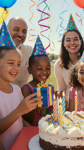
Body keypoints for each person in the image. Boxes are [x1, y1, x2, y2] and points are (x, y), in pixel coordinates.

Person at [0, 22, 42, 150]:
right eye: (11, 63)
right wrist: (19, 110)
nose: (15, 68)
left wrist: (38, 133)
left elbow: (20, 120)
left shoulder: (17, 89)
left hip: (23, 143)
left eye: (18, 64)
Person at [54, 14, 84, 109]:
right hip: (72, 106)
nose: (72, 43)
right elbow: (62, 89)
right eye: (68, 40)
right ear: (63, 43)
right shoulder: (58, 65)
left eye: (75, 39)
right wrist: (62, 102)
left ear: (81, 41)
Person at [21, 36, 53, 126]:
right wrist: (36, 108)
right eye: (39, 68)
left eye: (48, 68)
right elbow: (26, 119)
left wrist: (57, 100)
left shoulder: (49, 87)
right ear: (30, 70)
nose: (45, 72)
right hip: (33, 129)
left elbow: (51, 113)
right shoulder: (27, 89)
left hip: (49, 129)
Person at [7, 16, 32, 88]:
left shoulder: (29, 51)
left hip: (22, 97)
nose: (21, 34)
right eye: (16, 29)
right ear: (7, 29)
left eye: (24, 31)